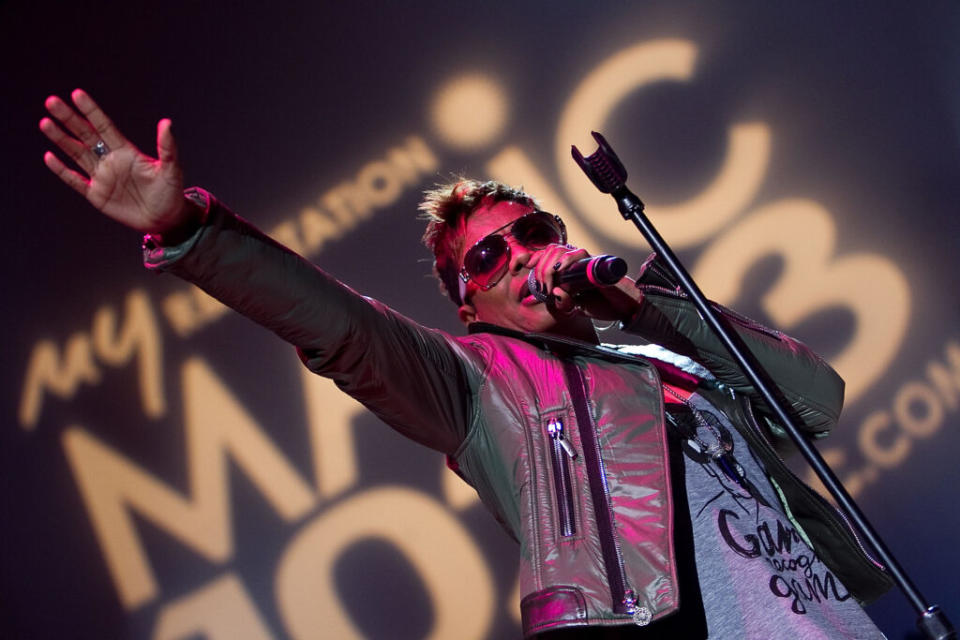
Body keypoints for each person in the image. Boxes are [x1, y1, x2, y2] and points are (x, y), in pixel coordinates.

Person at [40, 89, 892, 638]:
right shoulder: (486, 385)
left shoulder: (659, 350)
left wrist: (636, 303)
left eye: (531, 233)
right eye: (484, 258)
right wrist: (195, 232)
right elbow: (342, 329)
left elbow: (813, 402)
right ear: (467, 304)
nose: (518, 255)